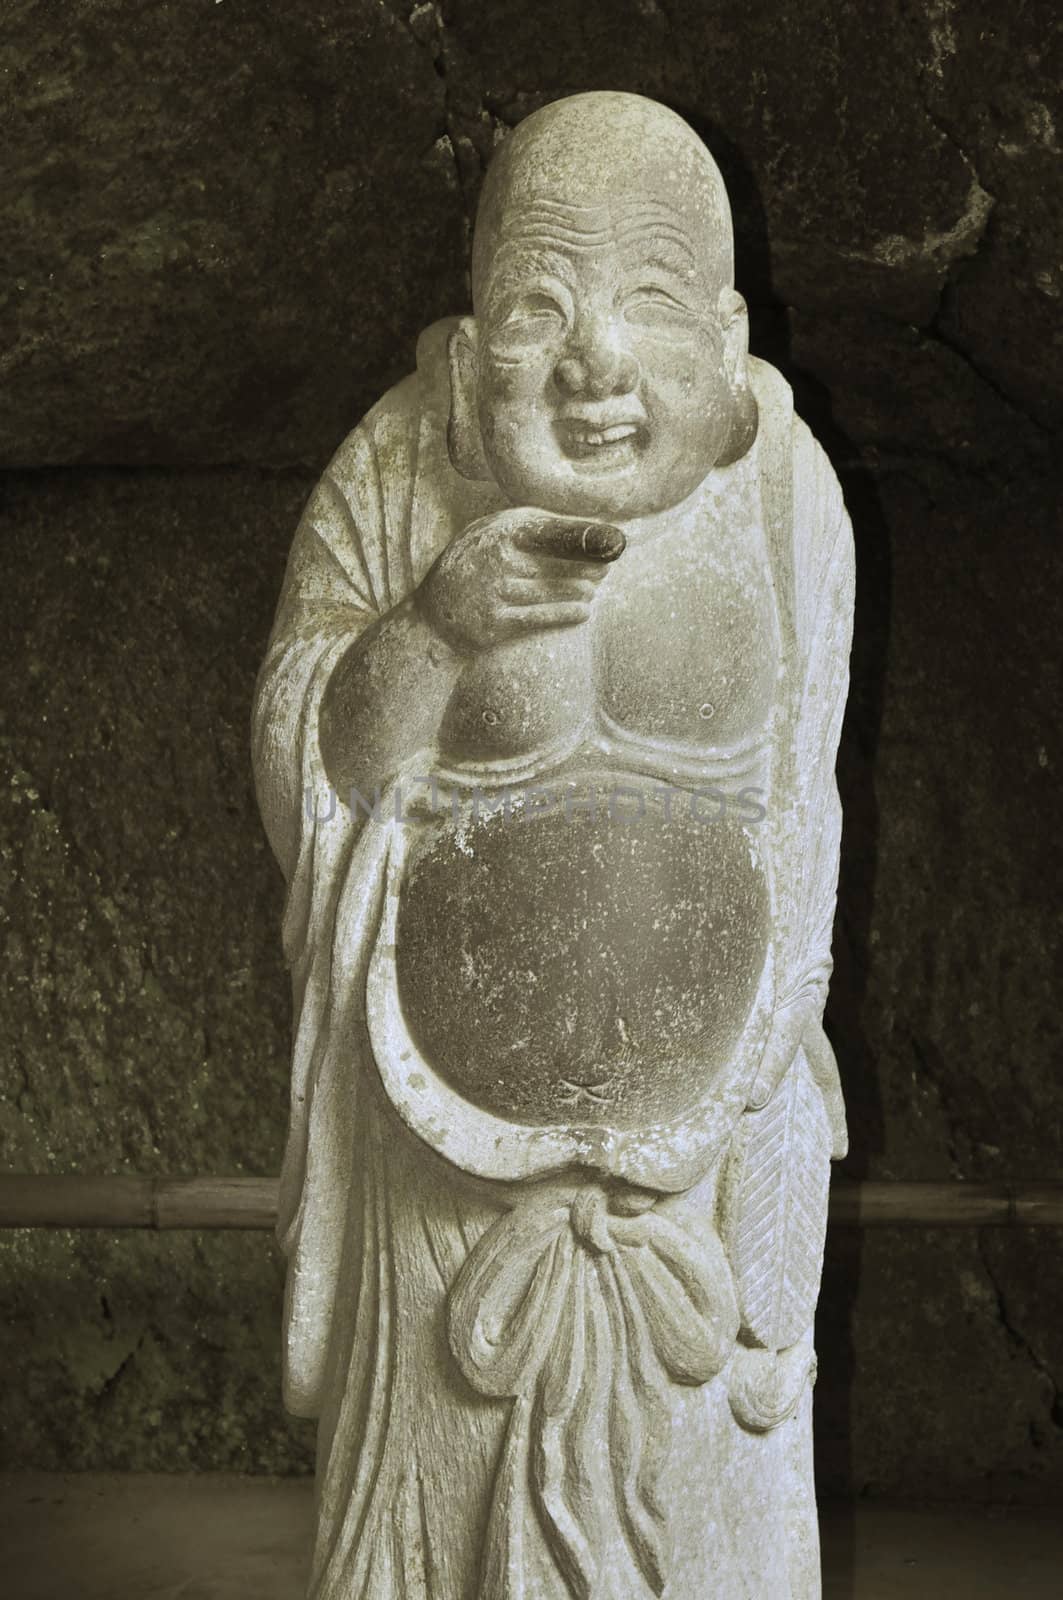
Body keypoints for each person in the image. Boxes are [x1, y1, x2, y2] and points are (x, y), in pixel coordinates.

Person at [254, 90, 853, 1600]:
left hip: (696, 1152)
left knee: (700, 1513)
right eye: (540, 305)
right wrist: (430, 634)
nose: (594, 361)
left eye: (649, 307)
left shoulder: (785, 496)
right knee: (433, 1525)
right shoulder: (399, 470)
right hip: (438, 1152)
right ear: (468, 356)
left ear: (725, 349)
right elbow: (300, 759)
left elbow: (806, 804)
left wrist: (761, 1055)